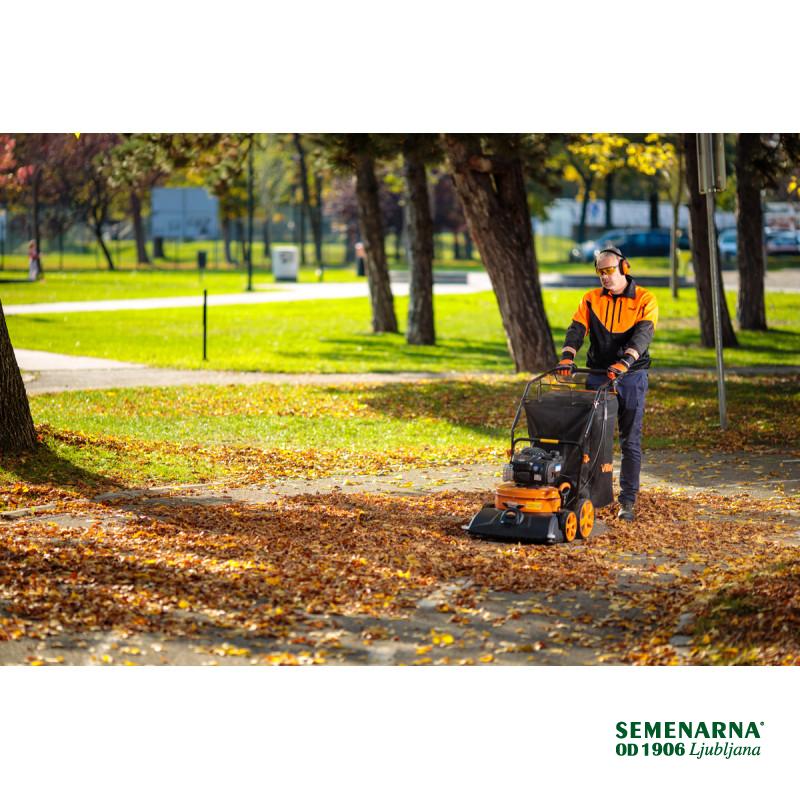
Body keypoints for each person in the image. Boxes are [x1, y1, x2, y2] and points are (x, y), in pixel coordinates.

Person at [556, 246, 658, 522]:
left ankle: (627, 501)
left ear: (624, 268)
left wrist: (625, 362)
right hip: (599, 375)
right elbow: (576, 329)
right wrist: (567, 357)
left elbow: (643, 336)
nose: (604, 276)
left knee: (630, 440)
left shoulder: (645, 299)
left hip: (632, 377)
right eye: (600, 272)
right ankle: (588, 495)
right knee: (590, 438)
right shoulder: (591, 300)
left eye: (609, 270)